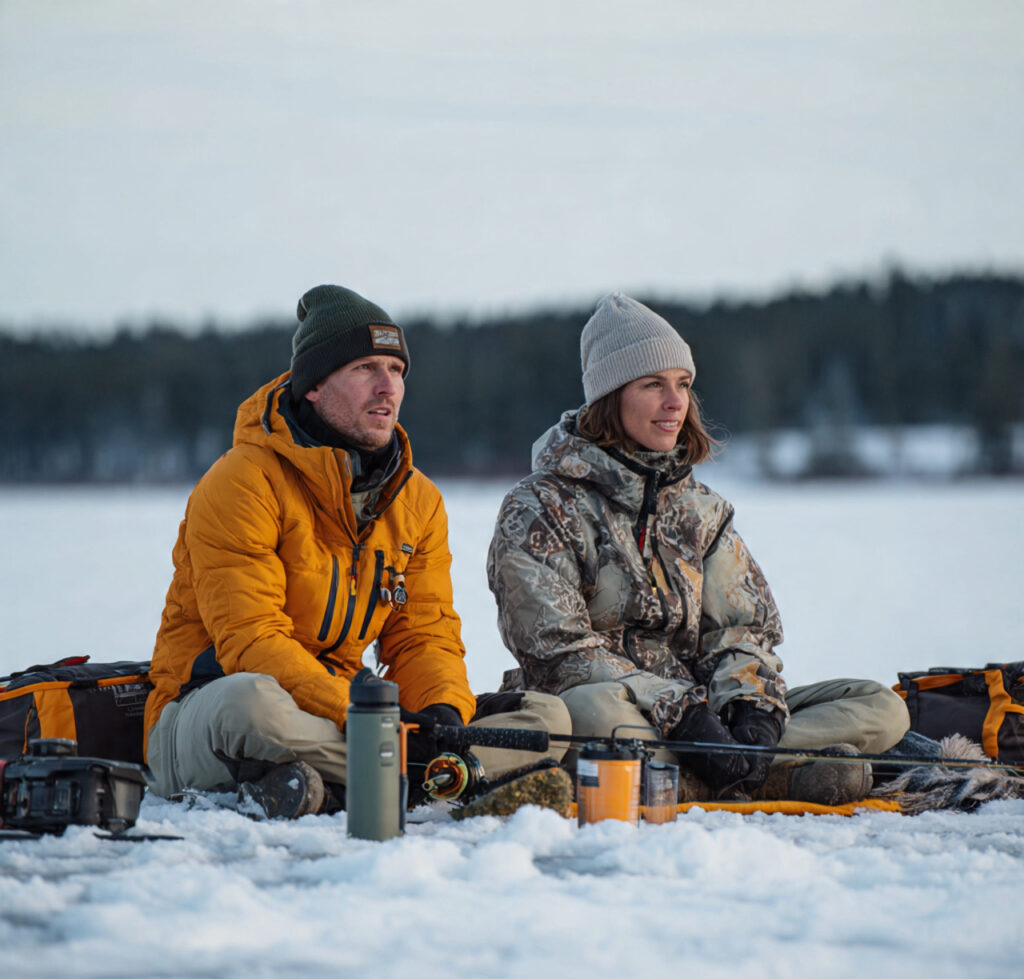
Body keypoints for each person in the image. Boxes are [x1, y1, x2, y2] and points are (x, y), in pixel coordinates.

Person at [144, 284, 571, 819]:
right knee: (249, 702)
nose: (387, 387)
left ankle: (354, 781)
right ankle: (430, 778)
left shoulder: (417, 501)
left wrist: (440, 714)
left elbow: (423, 635)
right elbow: (251, 640)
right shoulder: (242, 482)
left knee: (547, 718)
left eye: (396, 370)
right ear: (314, 387)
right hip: (209, 714)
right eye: (365, 368)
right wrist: (368, 714)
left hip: (352, 718)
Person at [487, 293, 911, 805]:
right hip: (610, 710)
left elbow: (742, 631)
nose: (675, 402)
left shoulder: (702, 511)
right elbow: (557, 653)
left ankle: (728, 770)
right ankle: (770, 775)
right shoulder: (540, 506)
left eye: (683, 384)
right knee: (594, 717)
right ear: (609, 397)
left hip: (707, 715)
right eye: (653, 385)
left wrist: (752, 710)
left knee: (881, 706)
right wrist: (681, 712)